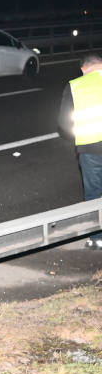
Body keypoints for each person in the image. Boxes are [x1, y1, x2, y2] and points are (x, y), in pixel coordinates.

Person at [58, 51, 102, 248]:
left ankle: (97, 238)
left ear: (84, 69)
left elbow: (64, 123)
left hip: (91, 147)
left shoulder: (76, 85)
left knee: (94, 193)